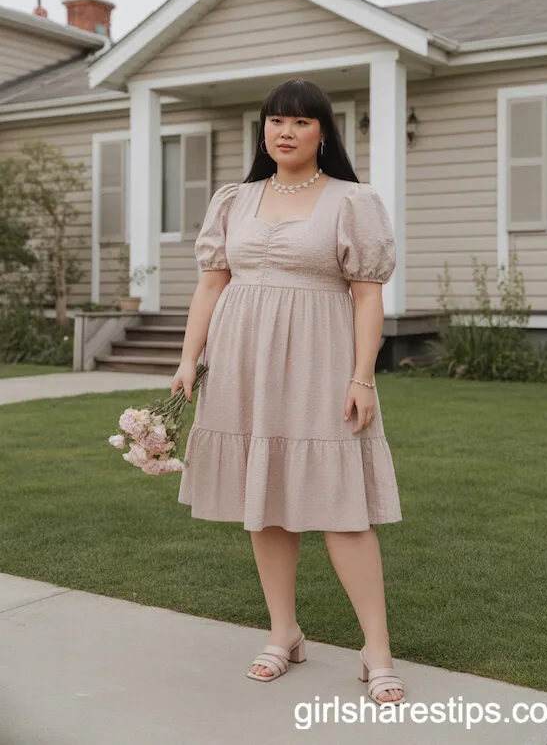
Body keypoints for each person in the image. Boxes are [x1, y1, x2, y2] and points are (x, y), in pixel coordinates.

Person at [172, 78, 404, 705]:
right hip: (242, 362)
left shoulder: (351, 201)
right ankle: (284, 634)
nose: (285, 131)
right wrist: (189, 359)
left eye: (300, 122)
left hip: (320, 364)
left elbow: (367, 295)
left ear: (322, 133)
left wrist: (363, 376)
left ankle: (375, 650)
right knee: (265, 499)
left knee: (341, 507)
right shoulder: (235, 200)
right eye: (276, 121)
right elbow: (212, 285)